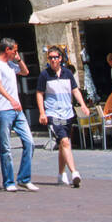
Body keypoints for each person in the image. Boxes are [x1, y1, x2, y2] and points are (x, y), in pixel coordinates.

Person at [0, 38, 37, 192]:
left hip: (17, 110)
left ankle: (24, 178)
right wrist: (11, 100)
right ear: (7, 50)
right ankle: (9, 182)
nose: (16, 53)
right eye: (14, 51)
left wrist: (19, 60)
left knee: (29, 142)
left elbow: (25, 72)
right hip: (4, 111)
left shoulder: (11, 64)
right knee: (6, 148)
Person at [36, 45, 84, 188]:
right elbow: (39, 93)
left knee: (64, 144)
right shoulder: (44, 75)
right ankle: (74, 172)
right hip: (53, 113)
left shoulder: (67, 74)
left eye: (55, 57)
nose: (53, 60)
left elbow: (75, 90)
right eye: (50, 58)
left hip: (67, 113)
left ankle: (61, 174)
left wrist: (83, 105)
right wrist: (42, 112)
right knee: (64, 141)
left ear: (60, 58)